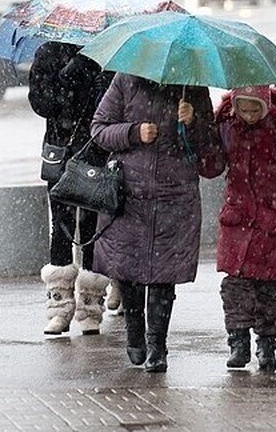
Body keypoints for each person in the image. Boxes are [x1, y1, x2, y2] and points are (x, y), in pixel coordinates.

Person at [89, 74, 220, 373]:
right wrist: (135, 133)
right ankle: (135, 334)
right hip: (129, 194)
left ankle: (157, 345)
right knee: (128, 269)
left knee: (164, 274)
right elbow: (99, 130)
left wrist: (194, 122)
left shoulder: (192, 86)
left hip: (175, 196)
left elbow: (212, 152)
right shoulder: (126, 81)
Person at [209, 85, 276, 371]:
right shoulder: (228, 127)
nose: (250, 115)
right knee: (235, 287)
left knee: (269, 290)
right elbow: (212, 165)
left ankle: (267, 344)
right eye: (244, 109)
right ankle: (238, 341)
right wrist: (197, 132)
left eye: (256, 109)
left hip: (271, 225)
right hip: (237, 220)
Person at [29, 42, 119, 336]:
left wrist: (90, 73)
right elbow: (41, 104)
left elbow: (111, 106)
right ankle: (59, 308)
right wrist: (68, 76)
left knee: (94, 227)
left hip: (95, 150)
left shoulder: (107, 53)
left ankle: (91, 308)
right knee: (62, 227)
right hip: (60, 150)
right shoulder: (48, 52)